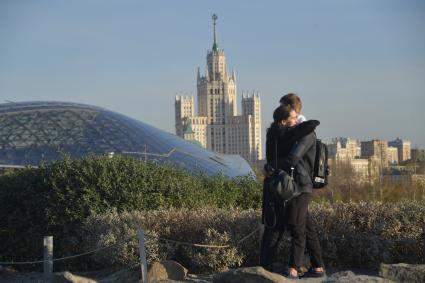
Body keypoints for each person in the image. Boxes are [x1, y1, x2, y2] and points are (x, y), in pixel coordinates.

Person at [260, 104, 325, 279]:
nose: (296, 120)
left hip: (300, 187)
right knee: (305, 227)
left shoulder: (305, 134)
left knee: (297, 227)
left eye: (296, 117)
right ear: (283, 121)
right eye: (293, 117)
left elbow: (293, 159)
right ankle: (318, 267)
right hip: (288, 186)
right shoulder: (281, 135)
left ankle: (294, 268)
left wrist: (270, 166)